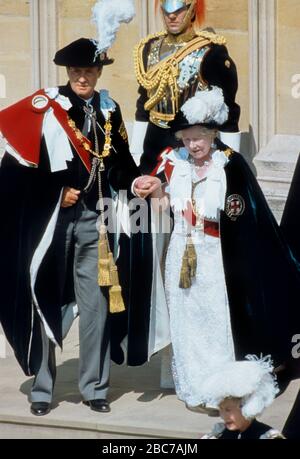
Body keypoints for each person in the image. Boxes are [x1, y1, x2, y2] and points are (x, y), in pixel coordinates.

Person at [0, 16, 161, 415]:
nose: (83, 77)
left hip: (98, 222)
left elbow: (120, 161)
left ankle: (94, 387)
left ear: (98, 71)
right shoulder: (46, 108)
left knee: (98, 305)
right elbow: (16, 170)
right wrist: (56, 193)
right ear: (68, 72)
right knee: (44, 301)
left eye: (89, 70)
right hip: (52, 225)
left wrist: (139, 180)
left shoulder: (109, 109)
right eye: (76, 71)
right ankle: (42, 388)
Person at [150, 86, 300, 407]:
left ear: (213, 134)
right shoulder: (175, 163)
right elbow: (164, 204)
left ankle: (221, 383)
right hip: (182, 251)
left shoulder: (229, 164)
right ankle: (196, 380)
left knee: (214, 316)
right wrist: (152, 190)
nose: (193, 145)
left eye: (199, 138)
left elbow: (245, 215)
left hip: (215, 254)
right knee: (188, 316)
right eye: (187, 139)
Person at [131, 0, 241, 173]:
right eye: (167, 10)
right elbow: (144, 104)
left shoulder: (211, 52)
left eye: (179, 9)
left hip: (192, 142)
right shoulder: (148, 48)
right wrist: (136, 151)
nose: (172, 15)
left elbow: (228, 112)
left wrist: (230, 162)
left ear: (191, 10)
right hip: (153, 142)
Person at [200, 356, 285, 439]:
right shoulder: (219, 434)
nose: (223, 416)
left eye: (228, 410)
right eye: (221, 409)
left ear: (246, 406)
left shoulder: (267, 436)